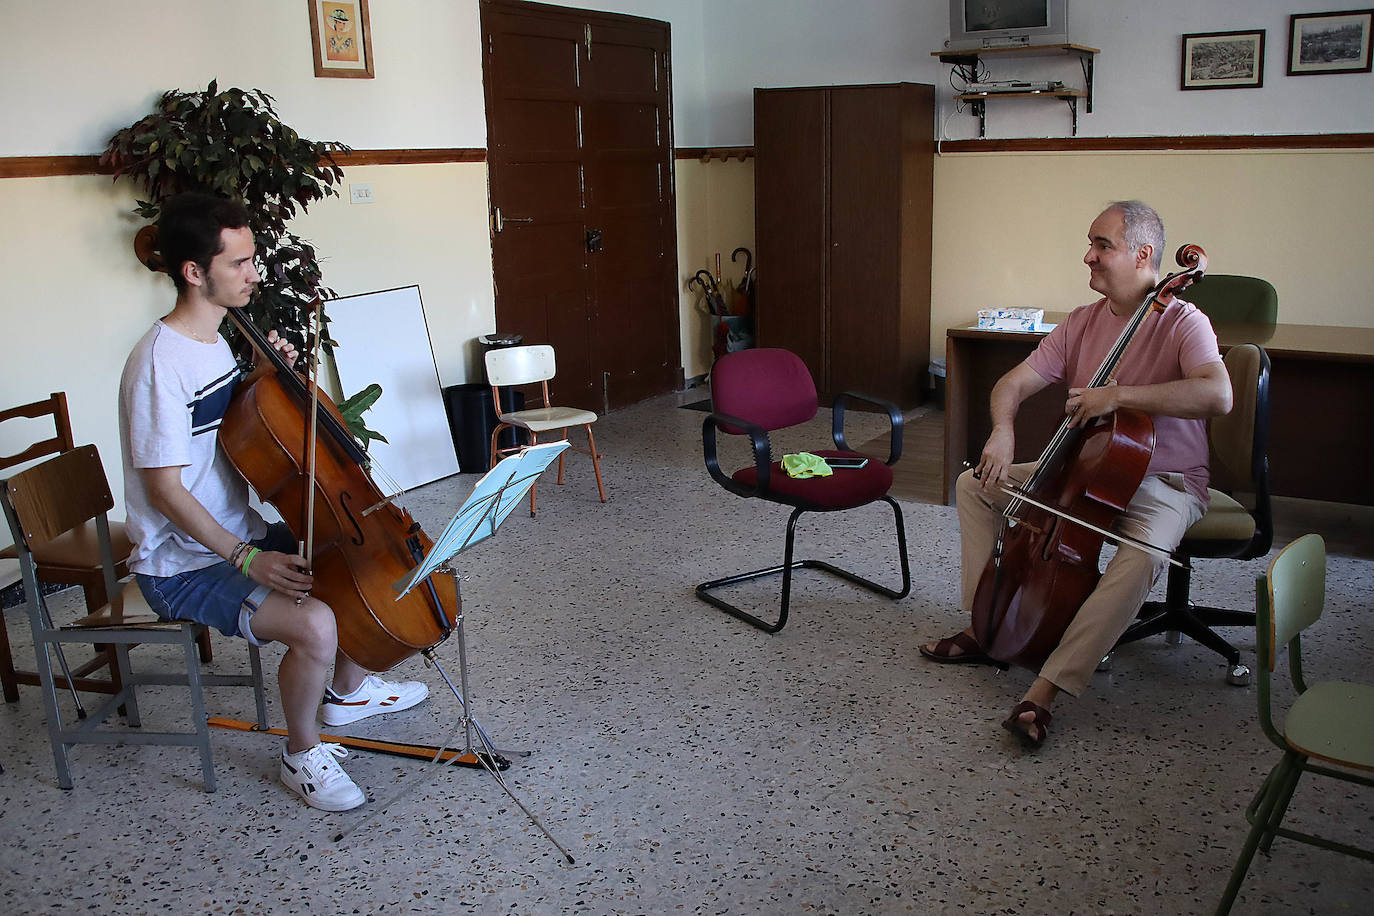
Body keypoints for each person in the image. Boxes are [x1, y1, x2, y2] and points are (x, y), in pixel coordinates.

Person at [118, 192, 429, 811]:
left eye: (252, 259)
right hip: (182, 563)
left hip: (238, 531)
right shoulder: (159, 363)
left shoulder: (217, 340)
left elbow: (236, 432)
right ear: (193, 272)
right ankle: (300, 753)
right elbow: (164, 489)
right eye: (239, 263)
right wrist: (244, 558)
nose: (254, 274)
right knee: (315, 622)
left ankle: (344, 693)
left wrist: (265, 374)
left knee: (362, 567)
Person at [920, 200, 1232, 747]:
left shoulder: (1185, 321)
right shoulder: (1084, 321)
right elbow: (1013, 383)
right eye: (1090, 243)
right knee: (975, 485)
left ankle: (1046, 688)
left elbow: (1217, 393)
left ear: (1143, 254)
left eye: (1102, 246)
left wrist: (1119, 395)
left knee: (1142, 558)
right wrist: (1002, 430)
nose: (1088, 256)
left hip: (1166, 482)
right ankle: (986, 624)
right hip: (1086, 467)